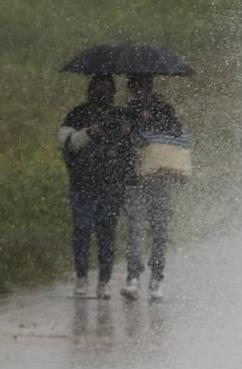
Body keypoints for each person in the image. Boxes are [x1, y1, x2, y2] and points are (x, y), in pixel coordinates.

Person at [58, 75, 132, 298]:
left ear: (113, 93)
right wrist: (90, 131)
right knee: (82, 230)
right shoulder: (77, 114)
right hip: (83, 183)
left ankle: (104, 281)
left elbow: (128, 150)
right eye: (99, 89)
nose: (104, 94)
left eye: (108, 90)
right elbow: (67, 143)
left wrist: (126, 131)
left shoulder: (120, 116)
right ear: (91, 91)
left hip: (111, 184)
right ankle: (82, 277)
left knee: (107, 232)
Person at [120, 74, 188, 301]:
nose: (140, 90)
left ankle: (156, 278)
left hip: (161, 177)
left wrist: (152, 121)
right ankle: (133, 277)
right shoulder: (127, 111)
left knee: (160, 229)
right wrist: (129, 129)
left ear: (150, 85)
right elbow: (124, 143)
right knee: (136, 229)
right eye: (136, 86)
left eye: (144, 85)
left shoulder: (164, 108)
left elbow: (177, 135)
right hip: (136, 178)